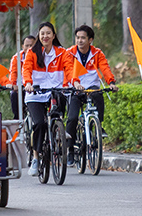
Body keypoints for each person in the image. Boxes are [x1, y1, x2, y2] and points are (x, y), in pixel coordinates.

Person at [22, 22, 77, 176]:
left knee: (61, 101)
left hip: (55, 91)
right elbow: (26, 70)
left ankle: (58, 128)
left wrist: (75, 81)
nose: (45, 36)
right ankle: (35, 157)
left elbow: (70, 69)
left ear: (54, 35)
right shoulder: (32, 53)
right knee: (39, 123)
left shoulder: (62, 52)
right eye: (42, 33)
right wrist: (28, 83)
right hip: (36, 94)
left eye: (48, 33)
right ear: (39, 36)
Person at [65, 25, 118, 166]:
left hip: (92, 87)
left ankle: (98, 125)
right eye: (77, 38)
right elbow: (69, 70)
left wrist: (111, 82)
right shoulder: (70, 53)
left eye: (83, 38)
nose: (80, 40)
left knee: (99, 97)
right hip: (75, 88)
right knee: (72, 118)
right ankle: (69, 149)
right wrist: (75, 83)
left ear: (90, 40)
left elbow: (105, 68)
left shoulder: (97, 53)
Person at [9, 35, 36, 119]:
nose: (29, 48)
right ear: (22, 46)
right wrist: (13, 84)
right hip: (20, 86)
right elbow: (13, 72)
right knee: (14, 95)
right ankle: (17, 119)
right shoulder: (16, 58)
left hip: (34, 86)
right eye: (26, 45)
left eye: (31, 45)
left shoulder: (38, 56)